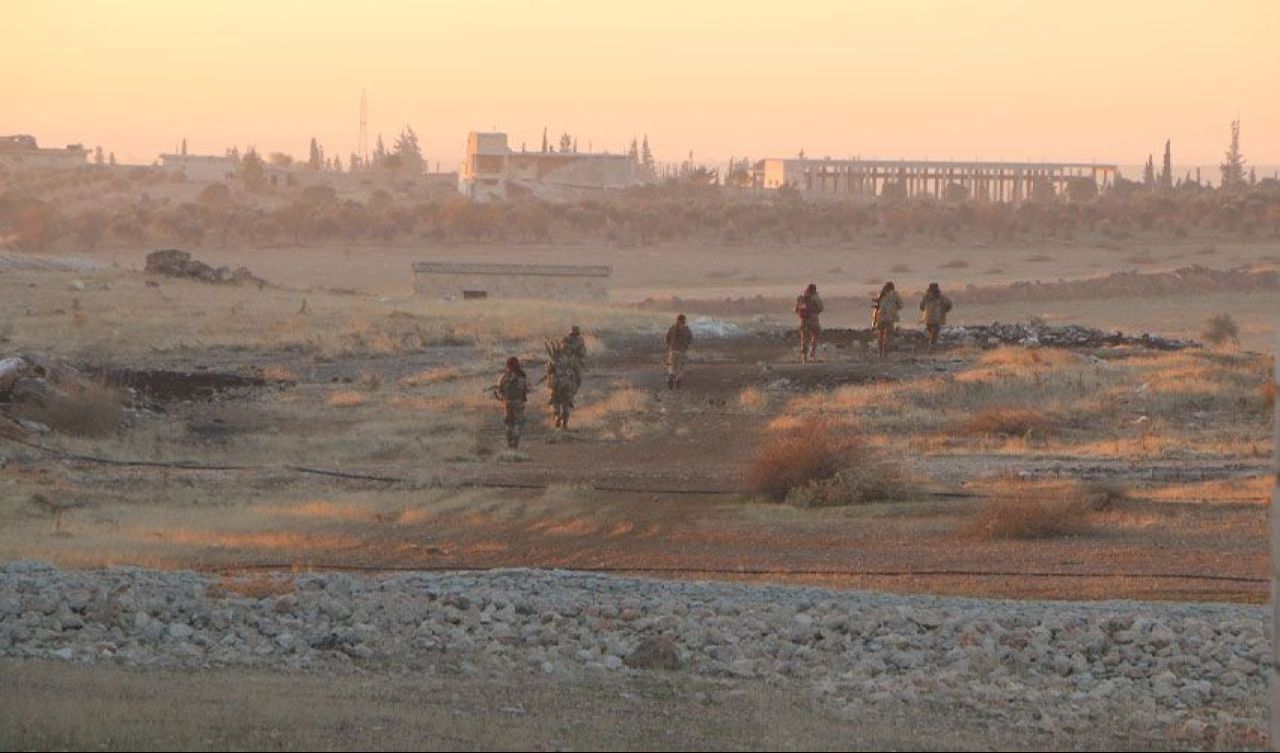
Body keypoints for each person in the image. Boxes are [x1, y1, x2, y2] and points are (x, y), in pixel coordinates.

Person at [543, 340, 582, 429]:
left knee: (555, 403)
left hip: (556, 385)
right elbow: (576, 372)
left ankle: (557, 417)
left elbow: (548, 369)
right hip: (567, 386)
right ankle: (564, 425)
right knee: (566, 405)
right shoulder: (570, 359)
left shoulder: (554, 359)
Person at [495, 356, 529, 449]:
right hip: (519, 403)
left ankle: (510, 443)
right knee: (518, 423)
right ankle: (515, 444)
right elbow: (526, 390)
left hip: (508, 404)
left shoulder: (504, 377)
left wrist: (502, 397)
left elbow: (500, 390)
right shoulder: (522, 376)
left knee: (509, 423)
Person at [871, 281, 903, 358]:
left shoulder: (881, 294)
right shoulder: (895, 295)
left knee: (880, 335)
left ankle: (879, 353)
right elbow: (901, 305)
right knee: (888, 336)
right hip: (890, 317)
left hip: (880, 317)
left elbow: (877, 306)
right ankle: (885, 354)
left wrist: (873, 321)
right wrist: (894, 308)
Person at [794, 283, 824, 363]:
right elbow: (821, 308)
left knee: (804, 339)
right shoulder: (815, 297)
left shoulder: (800, 298)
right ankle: (812, 351)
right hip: (813, 320)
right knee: (816, 334)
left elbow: (795, 310)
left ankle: (804, 358)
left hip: (803, 321)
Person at [919, 282, 954, 349]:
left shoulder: (925, 297)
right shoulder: (941, 297)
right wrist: (944, 311)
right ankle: (932, 346)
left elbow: (921, 307)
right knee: (935, 334)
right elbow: (949, 304)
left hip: (927, 319)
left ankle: (931, 345)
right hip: (936, 319)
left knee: (931, 333)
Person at [664, 313, 694, 389]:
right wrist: (686, 345)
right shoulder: (687, 330)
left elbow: (667, 339)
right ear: (684, 320)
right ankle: (678, 382)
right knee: (680, 368)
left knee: (672, 366)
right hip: (682, 352)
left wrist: (669, 346)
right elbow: (691, 340)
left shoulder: (672, 328)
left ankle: (671, 378)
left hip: (672, 351)